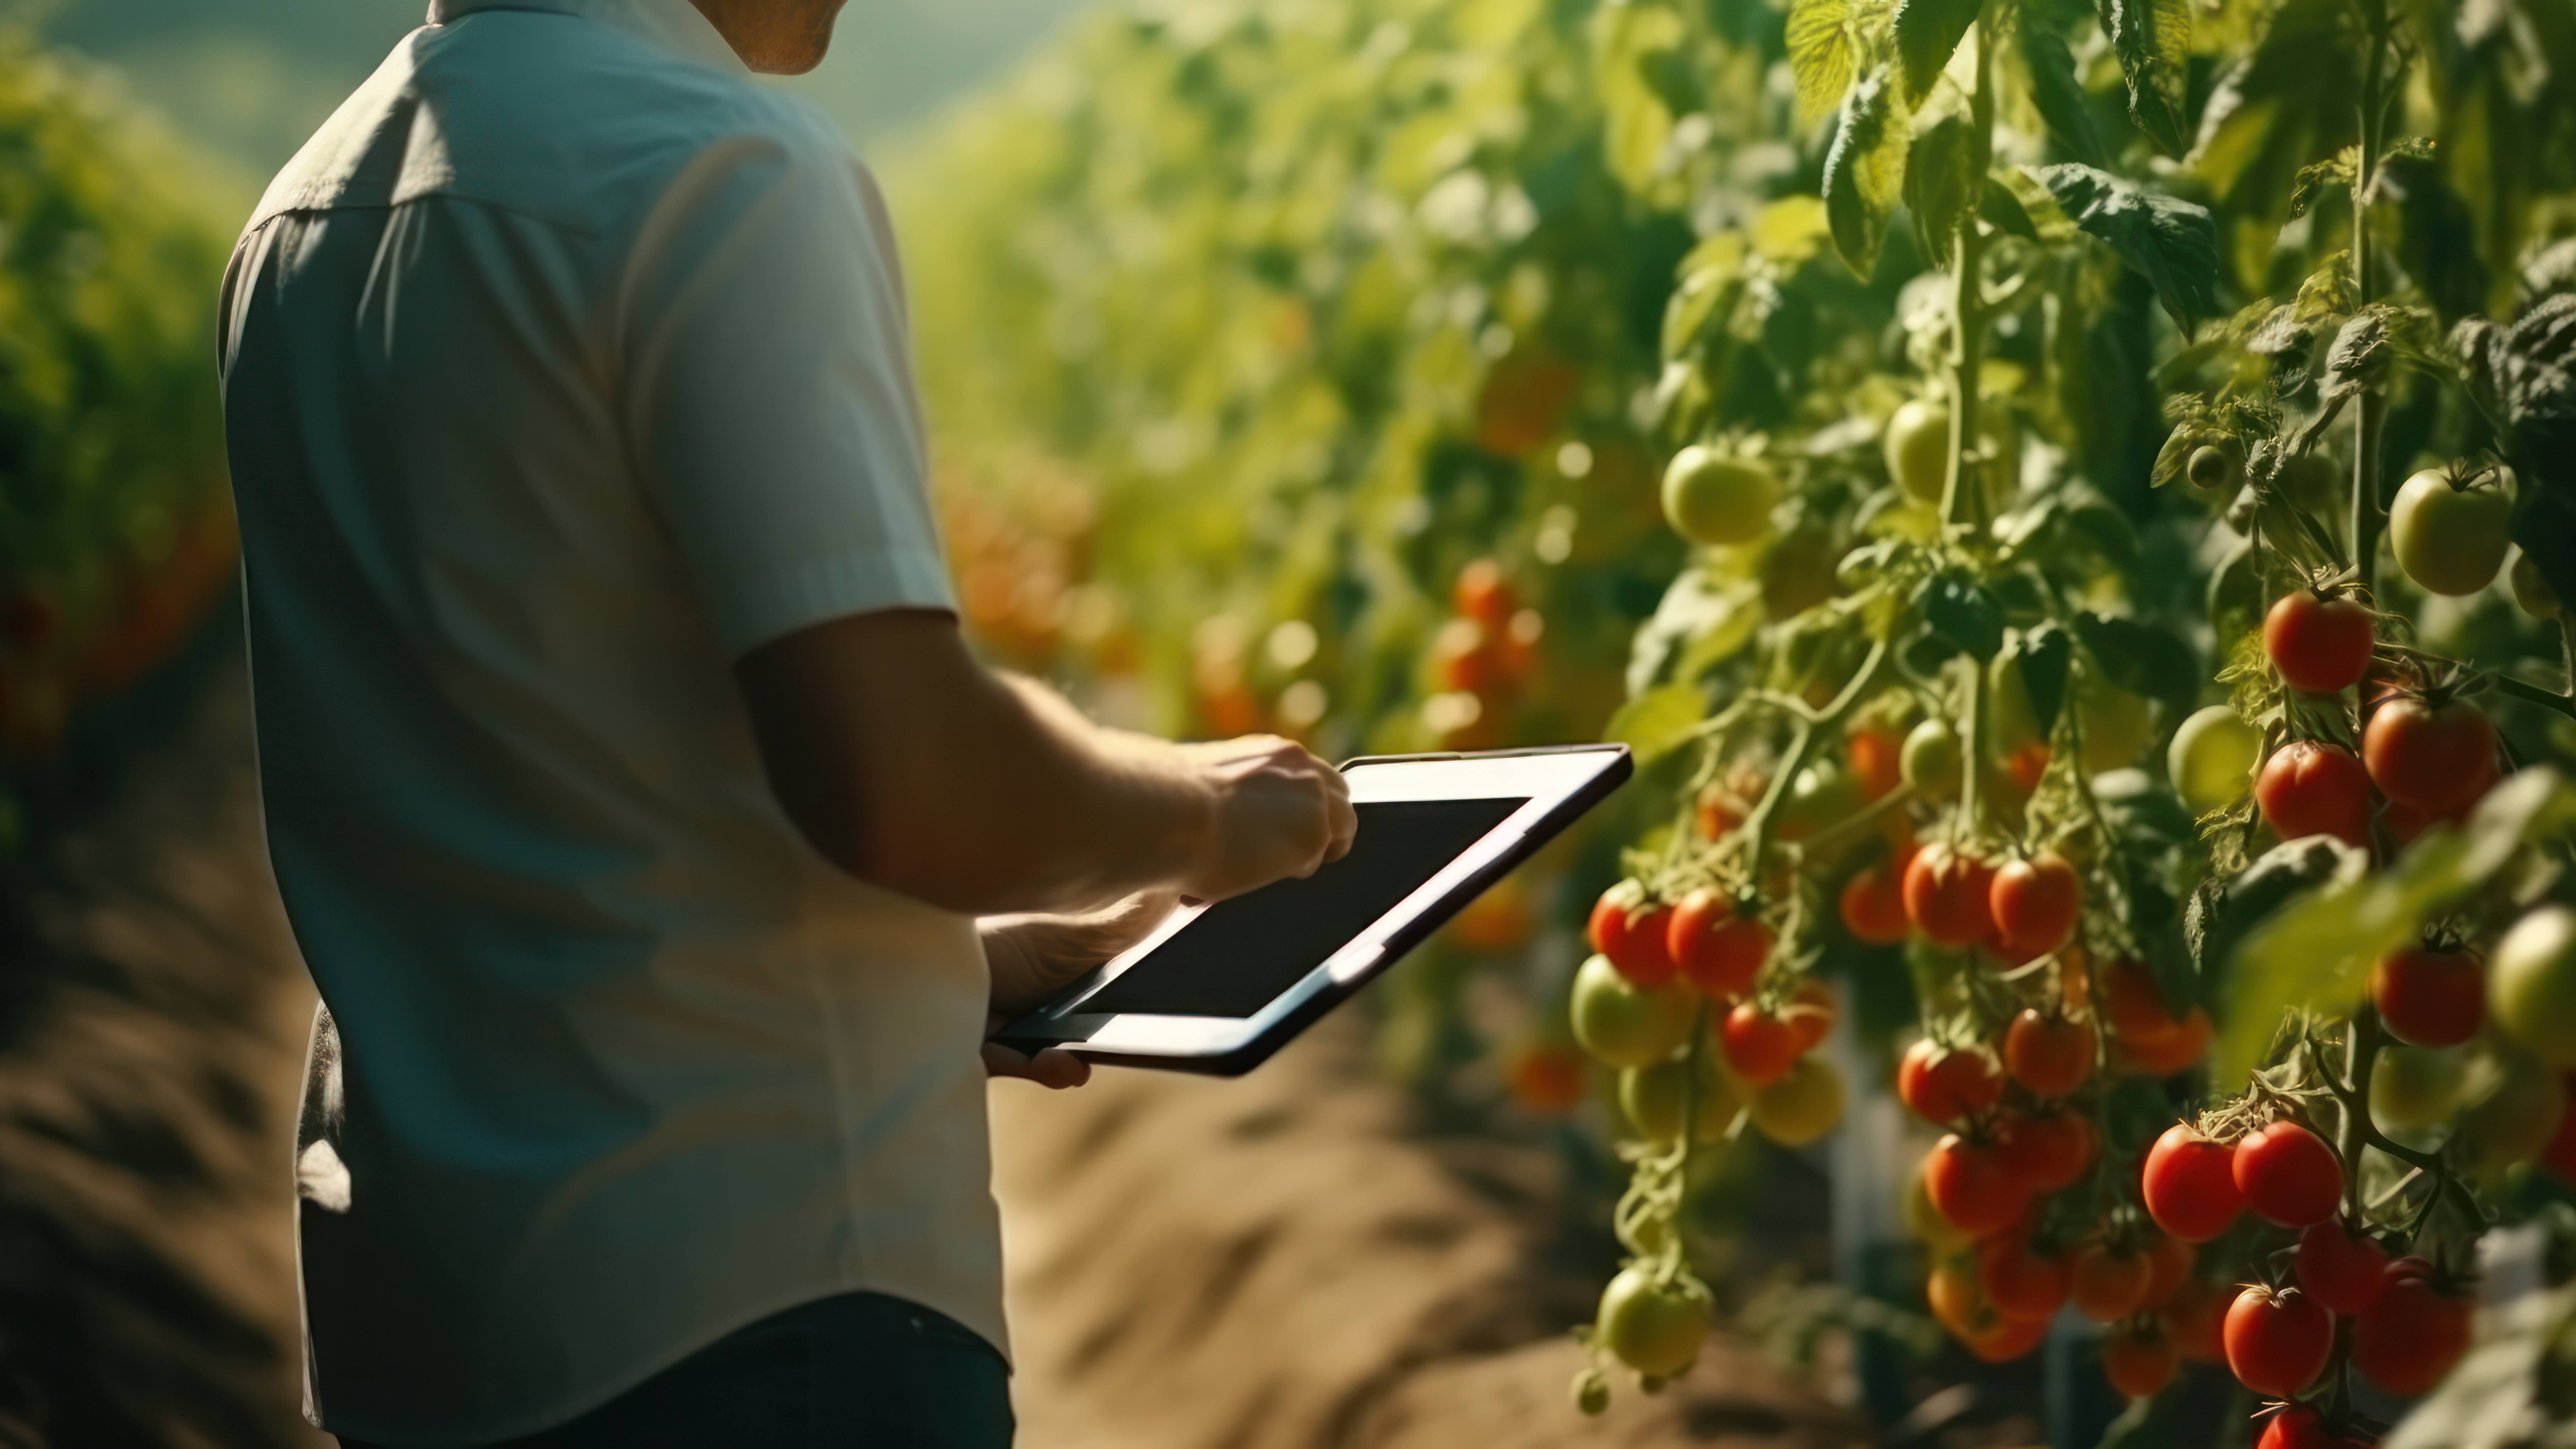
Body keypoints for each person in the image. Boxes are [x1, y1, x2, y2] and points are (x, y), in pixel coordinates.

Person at [213, 0, 1357, 1442]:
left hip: (431, 1326)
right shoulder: (715, 169)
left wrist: (947, 973)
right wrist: (1203, 812)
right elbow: (910, 784)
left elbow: (532, 766)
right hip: (758, 1322)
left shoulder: (302, 217)